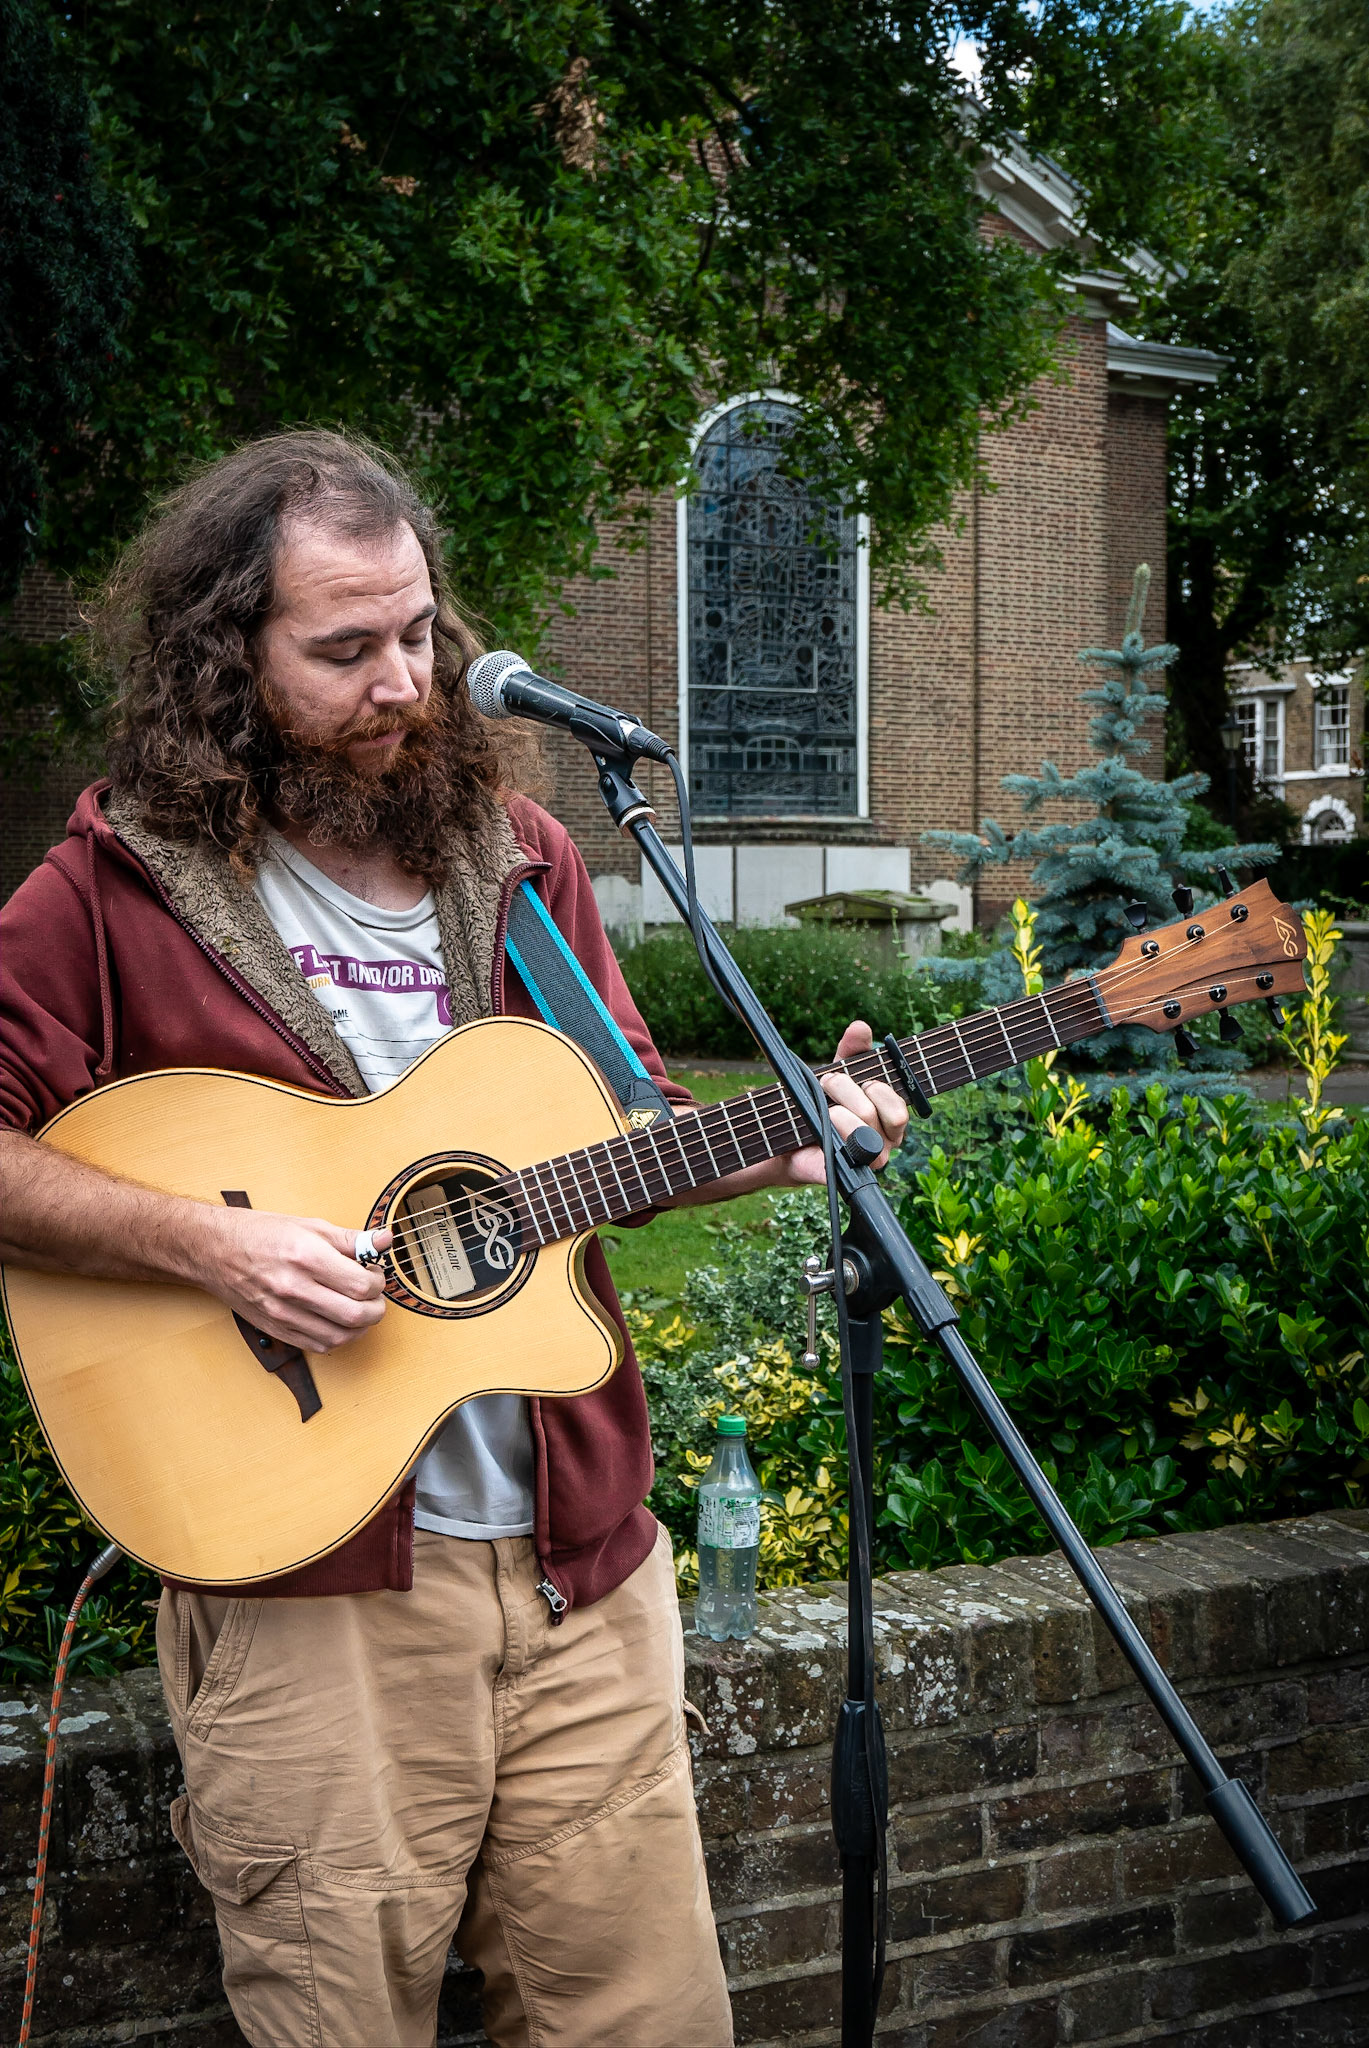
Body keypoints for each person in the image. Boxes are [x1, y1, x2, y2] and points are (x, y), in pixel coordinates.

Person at [0, 431, 908, 2048]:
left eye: (416, 633)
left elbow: (613, 1135)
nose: (401, 682)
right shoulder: (113, 891)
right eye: (342, 650)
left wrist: (780, 1141)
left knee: (651, 2024)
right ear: (228, 657)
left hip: (580, 1570)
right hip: (312, 1596)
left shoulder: (521, 863)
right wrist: (207, 1249)